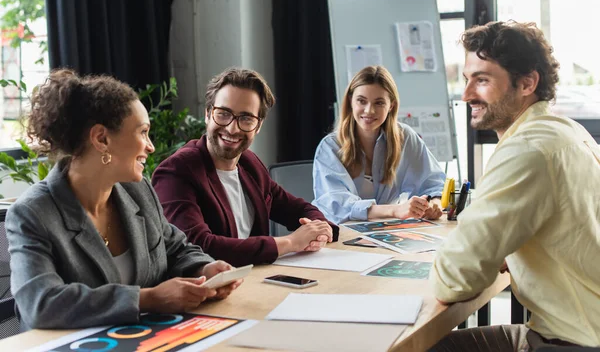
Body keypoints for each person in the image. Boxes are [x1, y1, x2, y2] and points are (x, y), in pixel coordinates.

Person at [6, 70, 241, 331]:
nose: (150, 146)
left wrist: (204, 270)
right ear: (101, 139)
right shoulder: (32, 213)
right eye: (142, 132)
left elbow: (175, 249)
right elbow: (40, 303)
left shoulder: (138, 190)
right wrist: (148, 299)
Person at [430, 21, 600, 351]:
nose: (466, 95)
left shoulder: (527, 149)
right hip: (579, 327)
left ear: (526, 83)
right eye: (466, 80)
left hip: (572, 341)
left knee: (417, 346)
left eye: (482, 80)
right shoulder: (567, 132)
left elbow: (455, 278)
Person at [152, 68, 338, 267]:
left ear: (258, 126)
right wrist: (290, 242)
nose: (232, 128)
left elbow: (298, 208)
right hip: (206, 291)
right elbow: (198, 247)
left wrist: (319, 228)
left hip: (254, 282)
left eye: (246, 118)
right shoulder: (176, 171)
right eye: (223, 114)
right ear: (207, 114)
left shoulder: (250, 164)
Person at [312, 65, 446, 225]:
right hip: (339, 233)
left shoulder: (406, 137)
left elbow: (433, 184)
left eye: (379, 103)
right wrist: (394, 210)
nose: (369, 111)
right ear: (350, 101)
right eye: (361, 101)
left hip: (389, 230)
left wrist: (434, 204)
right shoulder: (330, 147)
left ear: (391, 106)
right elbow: (337, 205)